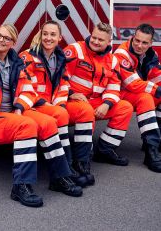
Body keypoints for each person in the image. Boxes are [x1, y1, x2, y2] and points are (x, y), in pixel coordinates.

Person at [0, 21, 82, 208]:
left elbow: (29, 91)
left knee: (49, 122)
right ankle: (21, 186)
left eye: (7, 38)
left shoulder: (17, 64)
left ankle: (59, 178)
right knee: (27, 126)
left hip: (11, 113)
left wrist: (19, 108)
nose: (1, 40)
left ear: (13, 43)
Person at [19, 20, 95, 187]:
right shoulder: (28, 56)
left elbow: (64, 84)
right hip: (33, 104)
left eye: (53, 34)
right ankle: (65, 169)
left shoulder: (59, 57)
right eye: (45, 34)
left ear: (60, 37)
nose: (48, 38)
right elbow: (23, 86)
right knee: (60, 115)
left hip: (53, 104)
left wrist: (60, 104)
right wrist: (52, 107)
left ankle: (81, 164)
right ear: (40, 35)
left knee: (85, 110)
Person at [64, 22, 133, 166]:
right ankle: (82, 158)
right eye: (94, 37)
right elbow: (59, 77)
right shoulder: (75, 50)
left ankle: (105, 150)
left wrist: (107, 105)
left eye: (100, 40)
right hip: (71, 103)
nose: (95, 41)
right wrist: (70, 93)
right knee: (87, 111)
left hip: (95, 102)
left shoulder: (113, 60)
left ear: (109, 41)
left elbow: (114, 87)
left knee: (125, 107)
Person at [114, 23, 161, 173]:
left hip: (135, 92)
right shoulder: (122, 53)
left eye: (144, 42)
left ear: (151, 43)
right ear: (133, 37)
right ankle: (151, 152)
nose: (139, 45)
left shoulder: (151, 54)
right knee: (146, 98)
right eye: (137, 40)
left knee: (156, 96)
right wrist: (157, 90)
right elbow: (132, 84)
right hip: (119, 94)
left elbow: (156, 77)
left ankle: (155, 142)